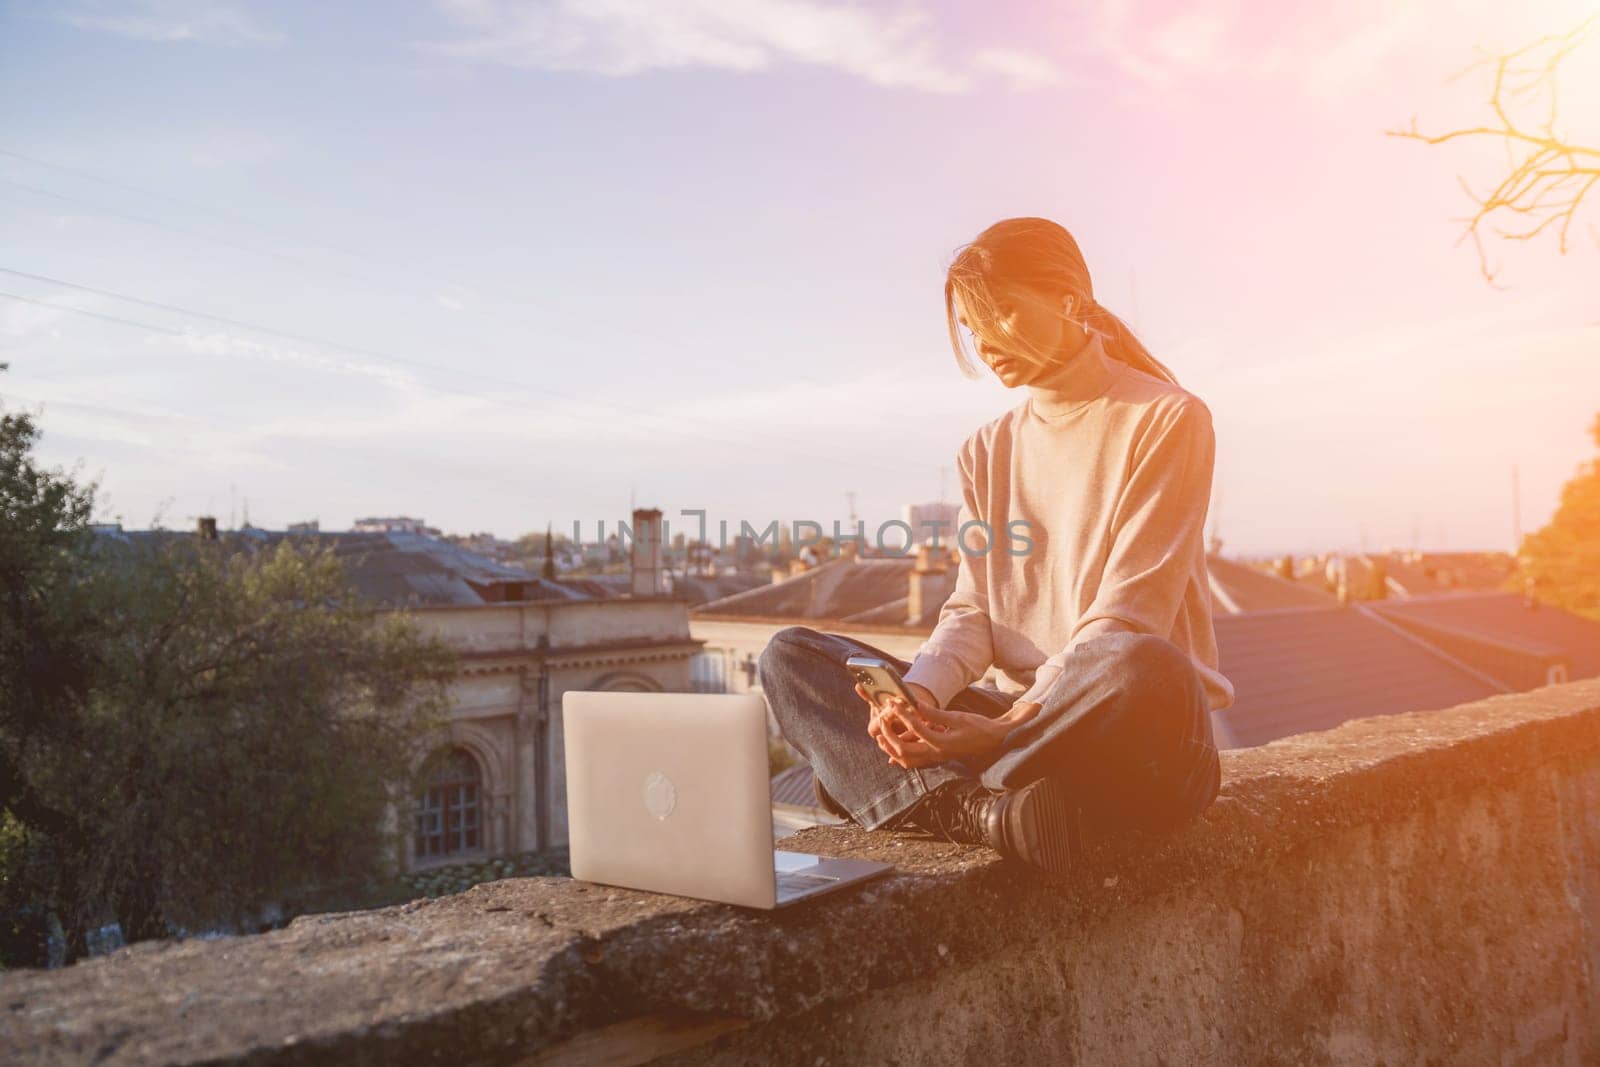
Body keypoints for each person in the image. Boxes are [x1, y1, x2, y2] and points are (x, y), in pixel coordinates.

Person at [758, 217, 1235, 880]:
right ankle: (984, 813)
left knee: (1139, 661)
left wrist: (1009, 725)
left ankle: (917, 798)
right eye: (969, 328)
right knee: (790, 657)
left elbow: (1128, 614)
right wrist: (919, 697)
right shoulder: (985, 450)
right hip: (1017, 735)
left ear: (1069, 300)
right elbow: (973, 610)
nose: (983, 344)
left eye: (1001, 314)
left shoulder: (1168, 418)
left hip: (1125, 734)